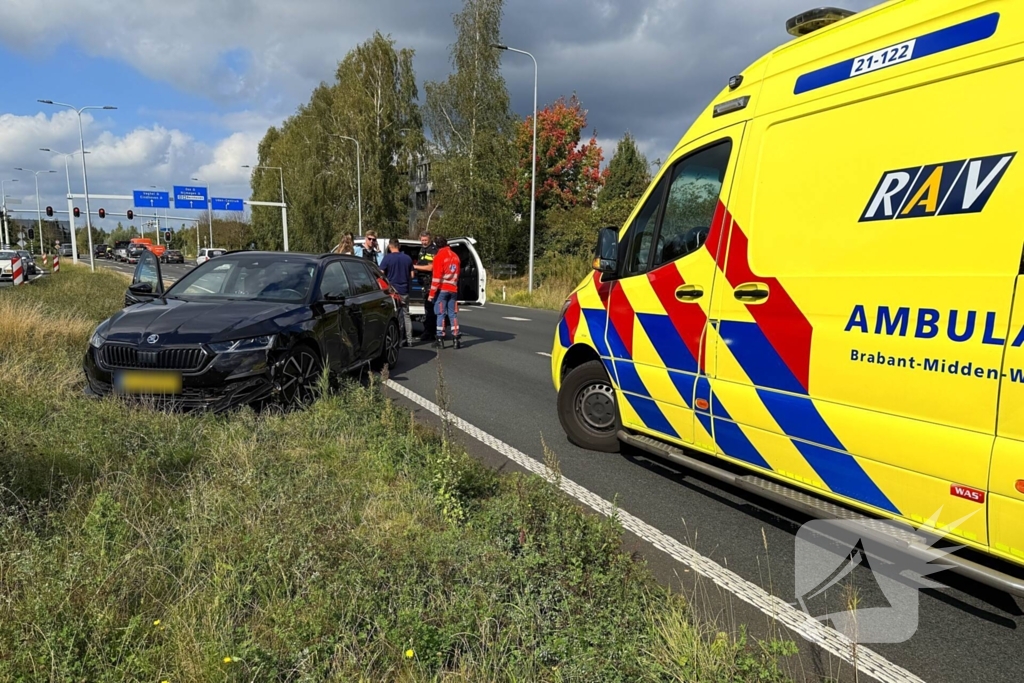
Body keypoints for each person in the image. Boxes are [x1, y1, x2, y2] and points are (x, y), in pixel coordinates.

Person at [379, 238, 415, 346]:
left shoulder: (387, 258)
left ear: (390, 246)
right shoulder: (407, 258)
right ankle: (409, 340)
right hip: (404, 290)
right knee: (406, 315)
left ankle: (398, 340)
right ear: (398, 246)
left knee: (395, 316)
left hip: (393, 292)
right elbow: (412, 275)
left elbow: (381, 274)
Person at [429, 235, 462, 349]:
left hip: (443, 289)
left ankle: (440, 338)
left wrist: (431, 294)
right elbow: (457, 275)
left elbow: (436, 278)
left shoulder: (439, 257)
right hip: (453, 289)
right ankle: (456, 338)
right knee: (453, 314)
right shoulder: (455, 256)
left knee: (440, 313)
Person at [413, 230, 438, 341]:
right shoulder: (422, 249)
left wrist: (415, 267)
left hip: (429, 282)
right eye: (422, 240)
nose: (423, 242)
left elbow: (431, 267)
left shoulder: (433, 250)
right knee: (426, 308)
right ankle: (428, 331)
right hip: (422, 281)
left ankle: (430, 332)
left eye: (425, 240)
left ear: (430, 239)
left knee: (429, 308)